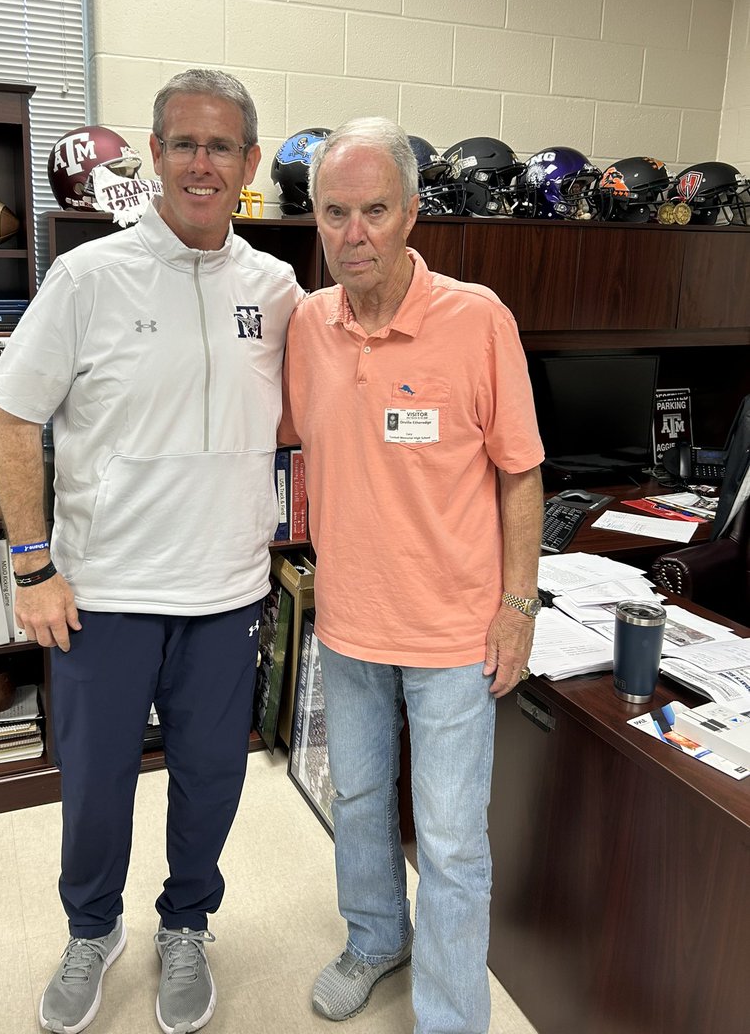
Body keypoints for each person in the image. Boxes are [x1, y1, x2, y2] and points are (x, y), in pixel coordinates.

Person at [0, 68, 305, 1034]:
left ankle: (185, 925)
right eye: (183, 144)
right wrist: (32, 564)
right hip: (107, 593)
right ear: (155, 155)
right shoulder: (87, 276)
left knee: (212, 778)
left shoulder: (278, 288)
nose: (202, 164)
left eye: (222, 147)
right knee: (95, 788)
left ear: (250, 163)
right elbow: (9, 414)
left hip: (228, 592)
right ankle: (92, 931)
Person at [279, 117, 545, 1034]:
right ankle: (373, 936)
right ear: (315, 219)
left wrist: (518, 606)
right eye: (335, 212)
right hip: (349, 622)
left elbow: (521, 472)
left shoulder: (477, 320)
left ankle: (449, 1016)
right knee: (354, 801)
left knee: (452, 843)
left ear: (412, 214)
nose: (354, 234)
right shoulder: (307, 327)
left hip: (452, 636)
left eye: (375, 210)